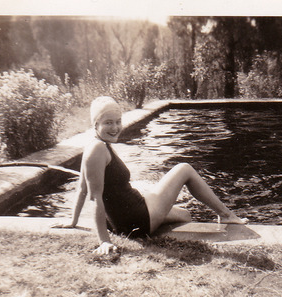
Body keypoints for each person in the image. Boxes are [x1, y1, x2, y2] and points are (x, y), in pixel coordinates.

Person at [54, 96, 246, 255]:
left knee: (185, 215)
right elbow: (94, 197)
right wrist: (104, 241)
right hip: (136, 219)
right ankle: (226, 215)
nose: (115, 128)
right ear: (95, 124)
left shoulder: (95, 146)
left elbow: (81, 188)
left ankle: (208, 222)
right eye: (108, 123)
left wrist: (73, 221)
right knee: (184, 168)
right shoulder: (97, 150)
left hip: (127, 218)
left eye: (118, 122)